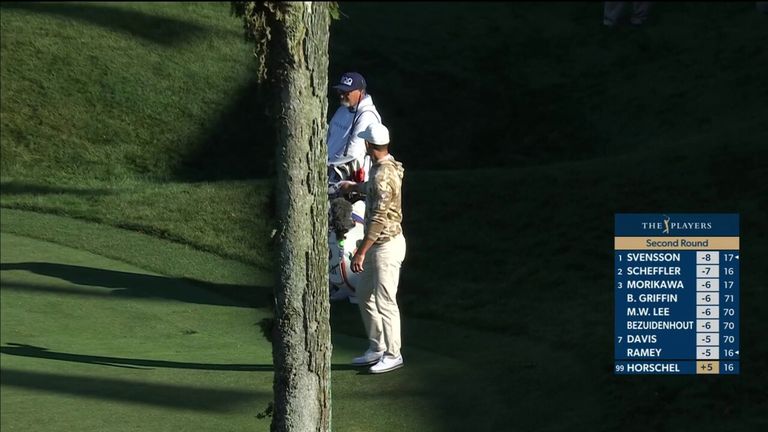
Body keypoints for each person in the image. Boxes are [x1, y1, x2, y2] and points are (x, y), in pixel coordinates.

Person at [339, 123, 406, 374]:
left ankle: (393, 354)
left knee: (386, 301)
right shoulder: (384, 168)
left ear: (369, 145)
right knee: (364, 293)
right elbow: (372, 189)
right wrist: (353, 187)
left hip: (385, 246)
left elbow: (378, 219)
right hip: (378, 246)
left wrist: (361, 251)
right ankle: (378, 347)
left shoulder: (382, 175)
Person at [327, 72, 382, 303]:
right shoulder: (343, 110)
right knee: (332, 236)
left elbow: (353, 153)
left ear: (361, 91)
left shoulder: (367, 115)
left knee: (348, 235)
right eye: (341, 90)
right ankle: (339, 282)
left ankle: (355, 288)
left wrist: (325, 165)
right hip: (333, 178)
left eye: (347, 91)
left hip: (352, 184)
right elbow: (330, 137)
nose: (343, 94)